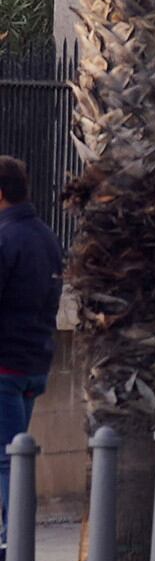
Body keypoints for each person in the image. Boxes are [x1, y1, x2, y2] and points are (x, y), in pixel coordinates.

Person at [0, 153, 54, 454]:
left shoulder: (4, 237)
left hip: (5, 366)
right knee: (17, 452)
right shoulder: (46, 236)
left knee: (9, 458)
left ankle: (18, 504)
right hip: (35, 362)